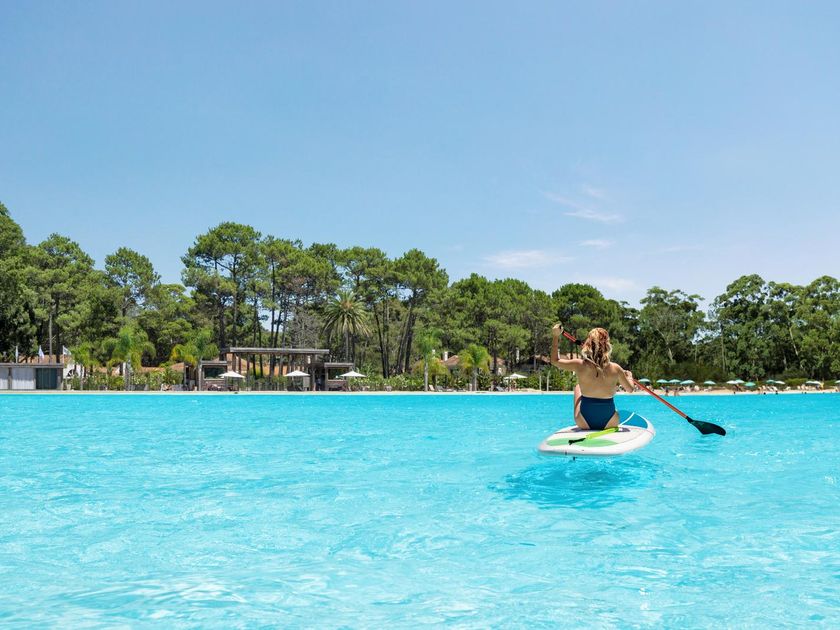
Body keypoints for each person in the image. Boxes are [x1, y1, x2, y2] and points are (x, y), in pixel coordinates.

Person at [550, 323, 634, 430]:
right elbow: (630, 389)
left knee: (578, 387)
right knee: (612, 403)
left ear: (588, 344)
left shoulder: (579, 365)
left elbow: (554, 361)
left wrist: (555, 336)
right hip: (610, 421)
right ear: (607, 345)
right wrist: (629, 377)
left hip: (583, 421)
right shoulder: (616, 368)